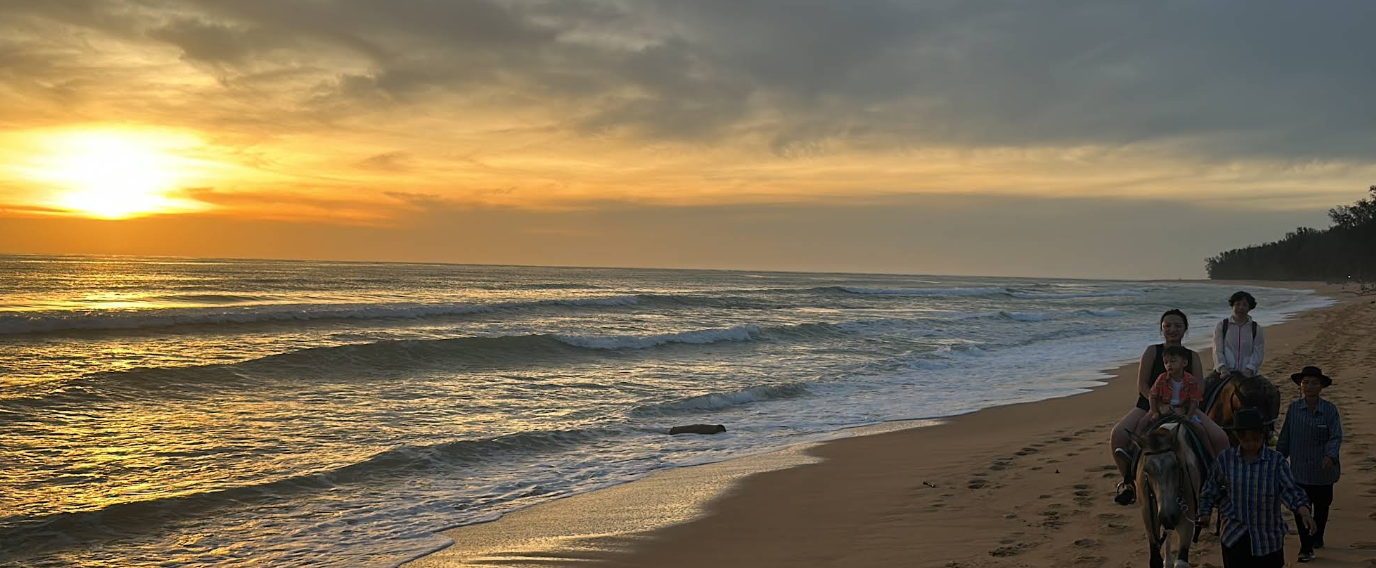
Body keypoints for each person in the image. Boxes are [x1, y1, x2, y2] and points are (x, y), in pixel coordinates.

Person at [1110, 309, 1228, 506]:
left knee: (1220, 438)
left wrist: (1186, 408)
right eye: (1167, 326)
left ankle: (1217, 481)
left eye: (1178, 326)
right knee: (1118, 435)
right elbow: (1142, 385)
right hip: (1150, 404)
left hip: (1185, 407)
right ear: (1161, 328)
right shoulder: (1152, 351)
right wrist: (1157, 407)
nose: (1172, 330)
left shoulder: (1192, 356)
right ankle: (1129, 482)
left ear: (1185, 330)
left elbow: (1199, 387)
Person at [1199, 408, 1314, 568]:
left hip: (1268, 538)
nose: (1252, 444)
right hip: (1234, 534)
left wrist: (1304, 512)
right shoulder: (1225, 460)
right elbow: (1211, 488)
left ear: (1263, 436)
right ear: (1238, 437)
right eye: (1247, 440)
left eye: (1256, 439)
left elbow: (1291, 490)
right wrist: (1204, 513)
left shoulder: (1276, 461)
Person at [1277, 366, 1342, 563]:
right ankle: (1305, 547)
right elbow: (1285, 436)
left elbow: (1336, 436)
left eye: (1314, 383)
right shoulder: (1294, 409)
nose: (1309, 386)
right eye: (1306, 382)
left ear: (1321, 386)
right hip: (1300, 471)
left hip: (1324, 472)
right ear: (1300, 385)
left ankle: (1318, 536)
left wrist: (1331, 455)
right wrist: (1278, 458)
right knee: (1300, 508)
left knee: (1322, 509)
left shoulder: (1329, 410)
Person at [1212, 291, 1265, 380]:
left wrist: (1250, 369)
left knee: (1269, 391)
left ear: (1249, 308)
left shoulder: (1256, 328)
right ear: (1232, 306)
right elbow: (1217, 349)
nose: (1241, 307)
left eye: (1245, 305)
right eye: (1237, 304)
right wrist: (1222, 368)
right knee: (1206, 390)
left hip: (1248, 373)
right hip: (1225, 372)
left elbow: (1258, 352)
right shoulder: (1222, 325)